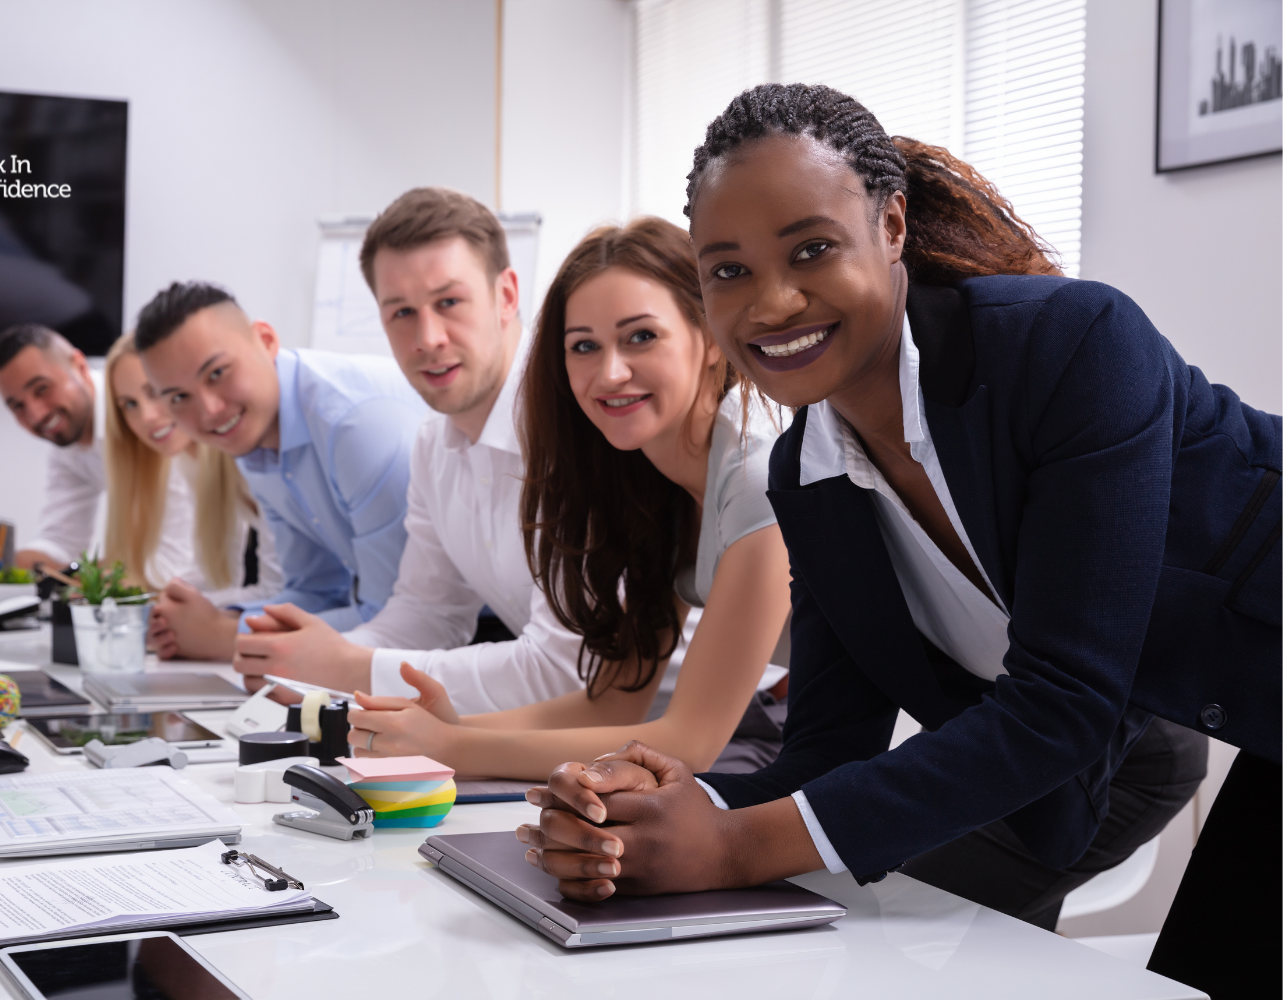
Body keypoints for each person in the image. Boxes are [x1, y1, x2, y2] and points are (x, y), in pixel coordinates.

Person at [522, 84, 1277, 999]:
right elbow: (828, 751)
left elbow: (1063, 701)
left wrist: (728, 843)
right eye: (728, 272)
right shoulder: (807, 473)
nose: (772, 303)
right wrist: (648, 817)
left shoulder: (1075, 344)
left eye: (811, 249)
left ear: (891, 226)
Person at [344, 217, 794, 779]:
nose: (609, 372)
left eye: (641, 337)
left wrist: (451, 747)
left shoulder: (758, 478)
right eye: (584, 346)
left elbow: (690, 740)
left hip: (833, 757)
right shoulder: (653, 486)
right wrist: (447, 728)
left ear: (708, 338)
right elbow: (613, 701)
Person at [225, 187, 593, 715]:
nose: (428, 337)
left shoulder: (578, 419)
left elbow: (565, 673)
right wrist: (310, 668)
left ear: (507, 295)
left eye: (449, 302)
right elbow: (428, 614)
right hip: (573, 736)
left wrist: (344, 668)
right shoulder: (432, 442)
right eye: (401, 312)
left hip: (698, 740)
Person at [136, 282, 426, 661]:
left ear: (266, 340)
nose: (209, 410)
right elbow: (319, 591)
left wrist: (226, 637)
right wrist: (209, 620)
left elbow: (395, 622)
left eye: (217, 373)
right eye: (179, 397)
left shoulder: (355, 424)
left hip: (487, 637)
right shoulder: (254, 437)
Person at [102, 331, 282, 605]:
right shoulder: (188, 459)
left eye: (155, 392)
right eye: (129, 404)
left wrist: (168, 606)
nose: (147, 417)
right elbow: (215, 577)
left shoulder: (254, 459)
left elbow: (279, 592)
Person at [0, 324, 105, 570]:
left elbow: (165, 558)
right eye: (17, 406)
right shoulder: (67, 442)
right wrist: (3, 564)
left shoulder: (141, 416)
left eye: (42, 389)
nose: (36, 415)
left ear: (80, 366)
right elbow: (62, 542)